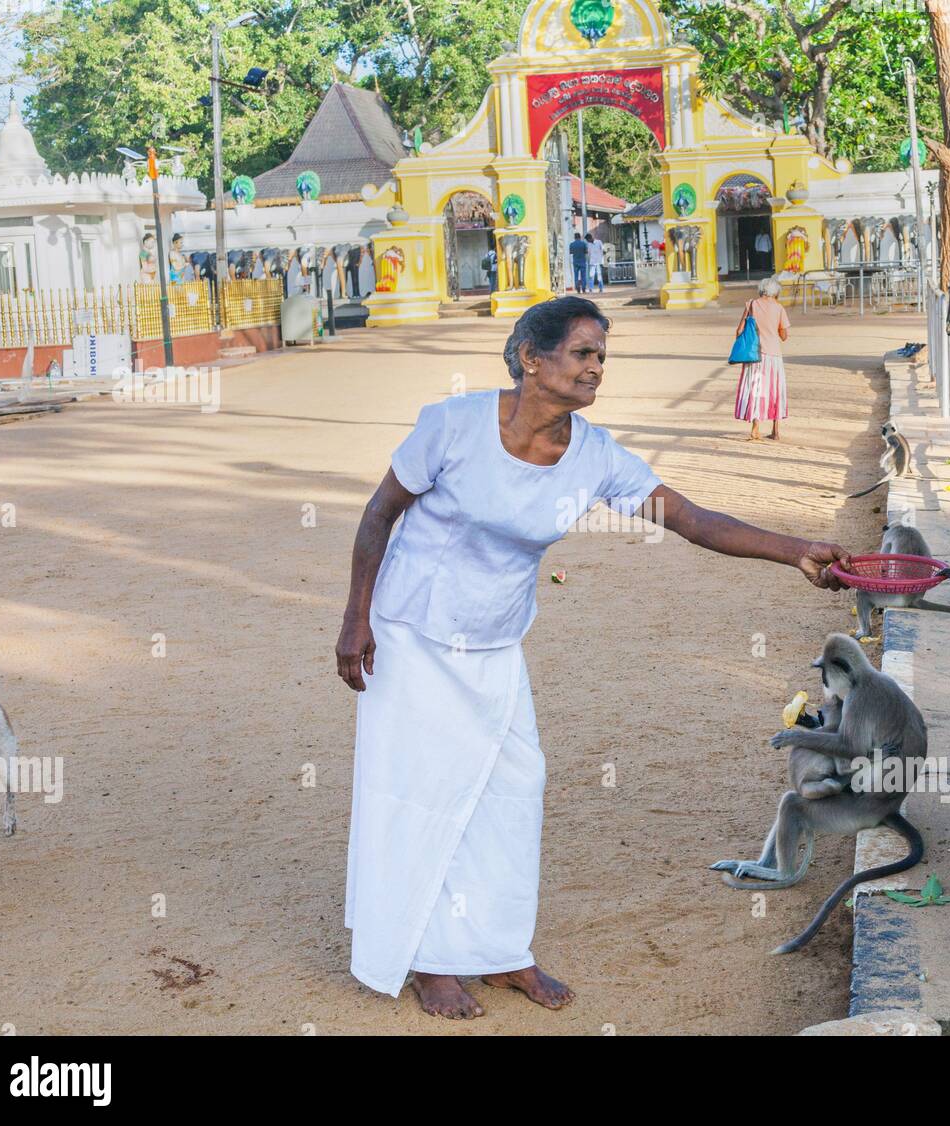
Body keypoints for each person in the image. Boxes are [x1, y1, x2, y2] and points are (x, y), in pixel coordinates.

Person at [336, 296, 849, 1020]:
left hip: (493, 640)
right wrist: (356, 615)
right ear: (530, 358)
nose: (595, 368)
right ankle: (428, 959)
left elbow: (693, 520)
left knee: (515, 787)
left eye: (602, 356)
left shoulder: (594, 456)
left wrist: (794, 549)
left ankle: (500, 948)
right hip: (414, 629)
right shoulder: (452, 426)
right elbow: (380, 512)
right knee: (426, 788)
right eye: (582, 353)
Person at [734, 276, 790, 441]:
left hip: (755, 355)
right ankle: (776, 431)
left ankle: (755, 429)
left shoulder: (751, 304)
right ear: (776, 292)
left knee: (756, 390)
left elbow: (739, 331)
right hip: (774, 356)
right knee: (775, 390)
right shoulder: (779, 308)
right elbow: (784, 336)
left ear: (761, 290)